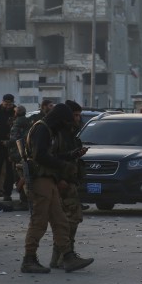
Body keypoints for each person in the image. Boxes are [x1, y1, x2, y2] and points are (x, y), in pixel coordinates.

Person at [21, 103, 94, 274]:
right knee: (39, 221)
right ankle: (29, 259)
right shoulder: (41, 129)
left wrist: (70, 156)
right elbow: (40, 155)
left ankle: (68, 257)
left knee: (60, 220)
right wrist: (62, 165)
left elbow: (50, 155)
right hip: (40, 180)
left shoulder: (48, 130)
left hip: (49, 180)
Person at [49, 100, 91, 269]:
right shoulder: (59, 134)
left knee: (68, 220)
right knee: (69, 220)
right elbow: (54, 158)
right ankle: (66, 256)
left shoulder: (70, 133)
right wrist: (60, 179)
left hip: (70, 181)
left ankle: (60, 257)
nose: (77, 118)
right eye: (74, 115)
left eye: (79, 115)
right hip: (63, 183)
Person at [0, 93, 17, 202]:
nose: (8, 106)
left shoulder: (15, 111)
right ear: (3, 101)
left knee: (10, 172)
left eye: (10, 104)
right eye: (6, 103)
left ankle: (7, 193)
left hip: (10, 145)